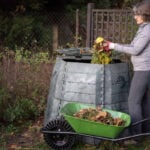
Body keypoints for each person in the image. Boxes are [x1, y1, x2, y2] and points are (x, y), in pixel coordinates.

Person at [106, 0, 150, 134]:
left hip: (144, 70)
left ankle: (136, 136)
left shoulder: (147, 30)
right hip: (145, 69)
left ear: (145, 15)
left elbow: (135, 50)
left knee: (133, 101)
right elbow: (132, 46)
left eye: (137, 14)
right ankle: (146, 131)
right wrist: (114, 47)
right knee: (145, 101)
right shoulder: (144, 28)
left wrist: (113, 46)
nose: (135, 16)